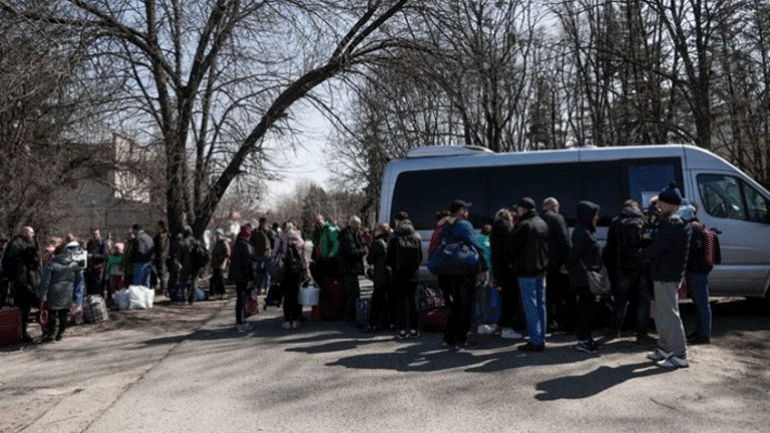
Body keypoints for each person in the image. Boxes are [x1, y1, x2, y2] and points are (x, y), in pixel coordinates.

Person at [637, 183, 692, 368]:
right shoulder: (677, 221)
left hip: (666, 274)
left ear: (670, 204)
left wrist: (640, 255)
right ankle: (665, 348)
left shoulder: (673, 223)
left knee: (669, 314)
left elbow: (658, 247)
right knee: (662, 314)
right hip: (666, 273)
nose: (658, 206)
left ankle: (679, 354)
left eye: (661, 203)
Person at [439, 200, 488, 349]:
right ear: (460, 211)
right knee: (466, 306)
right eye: (465, 209)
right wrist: (484, 267)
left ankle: (448, 338)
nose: (467, 212)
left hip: (448, 270)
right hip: (465, 270)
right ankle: (462, 338)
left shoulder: (446, 225)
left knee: (454, 305)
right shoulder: (464, 225)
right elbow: (476, 245)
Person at [603, 199, 653, 345]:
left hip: (623, 268)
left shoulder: (616, 222)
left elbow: (610, 248)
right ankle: (641, 333)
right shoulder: (644, 220)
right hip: (641, 267)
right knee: (643, 301)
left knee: (620, 300)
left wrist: (612, 267)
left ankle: (614, 330)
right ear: (635, 207)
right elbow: (649, 244)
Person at [509, 197, 549, 352]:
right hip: (541, 269)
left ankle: (535, 340)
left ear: (524, 209)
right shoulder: (542, 223)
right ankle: (541, 337)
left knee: (530, 305)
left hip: (526, 271)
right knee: (541, 305)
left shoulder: (523, 225)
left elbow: (512, 248)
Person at [566, 201, 602, 354]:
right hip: (584, 278)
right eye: (595, 214)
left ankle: (586, 338)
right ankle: (583, 340)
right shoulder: (583, 232)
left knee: (587, 308)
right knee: (585, 309)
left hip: (585, 277)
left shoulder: (584, 230)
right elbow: (576, 253)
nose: (597, 218)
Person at [681, 203, 719, 345]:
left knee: (701, 302)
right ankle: (701, 332)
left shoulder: (692, 228)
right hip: (701, 269)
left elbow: (692, 249)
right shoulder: (699, 225)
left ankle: (703, 335)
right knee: (700, 302)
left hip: (696, 270)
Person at [386, 211, 423, 340]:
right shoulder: (416, 235)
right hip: (413, 274)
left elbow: (389, 256)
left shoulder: (393, 236)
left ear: (397, 220)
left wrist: (393, 267)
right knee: (413, 302)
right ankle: (414, 329)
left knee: (400, 302)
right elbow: (420, 257)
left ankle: (401, 329)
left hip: (398, 273)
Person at [3, 226, 41, 342]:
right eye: (31, 233)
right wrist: (12, 278)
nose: (33, 235)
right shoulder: (16, 245)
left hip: (30, 280)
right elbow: (7, 263)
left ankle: (24, 332)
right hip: (22, 282)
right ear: (25, 233)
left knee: (28, 308)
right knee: (23, 309)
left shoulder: (30, 243)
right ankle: (22, 333)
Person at [489, 208, 522, 339]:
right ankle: (507, 328)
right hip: (508, 270)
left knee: (504, 298)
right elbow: (509, 251)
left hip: (499, 270)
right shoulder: (506, 229)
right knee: (511, 299)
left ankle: (502, 323)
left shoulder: (494, 229)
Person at [541, 197, 573, 333]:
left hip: (543, 264)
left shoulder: (538, 220)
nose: (557, 210)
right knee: (562, 295)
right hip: (558, 264)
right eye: (556, 207)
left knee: (547, 296)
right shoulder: (557, 219)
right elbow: (565, 242)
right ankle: (564, 324)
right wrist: (568, 262)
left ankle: (549, 323)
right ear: (552, 207)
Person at [273, 221, 310, 329]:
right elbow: (304, 258)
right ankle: (295, 319)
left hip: (284, 270)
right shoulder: (299, 239)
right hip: (297, 270)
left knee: (286, 295)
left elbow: (274, 253)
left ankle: (287, 319)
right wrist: (307, 272)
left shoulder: (280, 239)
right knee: (296, 294)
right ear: (294, 228)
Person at [39, 244, 79, 342]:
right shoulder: (74, 265)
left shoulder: (50, 265)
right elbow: (77, 280)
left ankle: (51, 333)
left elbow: (45, 282)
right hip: (67, 291)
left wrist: (43, 294)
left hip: (54, 291)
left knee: (52, 313)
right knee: (64, 313)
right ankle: (60, 332)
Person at [338, 215, 367, 324]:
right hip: (348, 269)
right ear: (353, 224)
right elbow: (351, 252)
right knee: (352, 294)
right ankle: (350, 317)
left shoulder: (353, 234)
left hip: (351, 269)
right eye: (358, 224)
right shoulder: (347, 236)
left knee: (354, 293)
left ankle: (351, 316)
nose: (359, 227)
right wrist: (363, 250)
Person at [228, 224, 256, 331]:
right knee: (242, 298)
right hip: (244, 276)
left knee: (240, 298)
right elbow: (248, 263)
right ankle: (241, 321)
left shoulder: (237, 243)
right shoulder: (245, 245)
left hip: (237, 275)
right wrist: (252, 277)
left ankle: (239, 320)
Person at [365, 222, 392, 332]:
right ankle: (387, 322)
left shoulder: (377, 243)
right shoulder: (391, 240)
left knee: (376, 300)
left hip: (380, 275)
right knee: (387, 300)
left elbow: (369, 259)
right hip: (390, 274)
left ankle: (372, 324)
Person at [85, 229, 110, 297]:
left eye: (96, 234)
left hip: (99, 268)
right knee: (90, 288)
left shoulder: (103, 243)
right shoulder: (90, 243)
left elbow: (105, 255)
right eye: (93, 234)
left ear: (99, 234)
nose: (94, 236)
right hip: (90, 269)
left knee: (98, 287)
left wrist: (93, 256)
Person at [252, 217, 273, 294]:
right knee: (267, 271)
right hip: (267, 253)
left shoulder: (256, 231)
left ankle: (258, 288)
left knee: (258, 272)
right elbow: (273, 241)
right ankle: (267, 287)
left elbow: (252, 241)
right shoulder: (268, 231)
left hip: (258, 253)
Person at [210, 228, 230, 299]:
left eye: (219, 235)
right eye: (216, 235)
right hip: (215, 264)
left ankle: (223, 293)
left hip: (221, 264)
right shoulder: (217, 243)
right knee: (216, 279)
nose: (217, 236)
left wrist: (220, 258)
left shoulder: (224, 243)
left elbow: (227, 253)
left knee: (221, 279)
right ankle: (217, 293)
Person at [153, 221, 170, 296]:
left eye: (156, 226)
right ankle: (163, 289)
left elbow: (161, 247)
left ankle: (164, 290)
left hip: (161, 257)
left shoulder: (162, 236)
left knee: (163, 274)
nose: (155, 227)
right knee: (162, 273)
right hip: (162, 257)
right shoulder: (163, 236)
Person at [0, 234, 9, 306]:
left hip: (3, 280)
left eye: (4, 241)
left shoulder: (6, 253)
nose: (3, 243)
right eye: (1, 241)